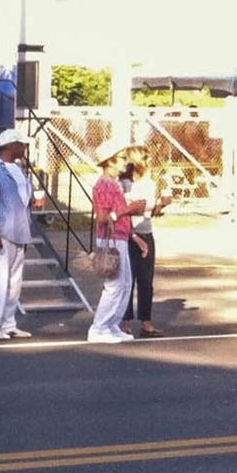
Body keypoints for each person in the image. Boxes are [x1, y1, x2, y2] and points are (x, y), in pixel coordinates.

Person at [0, 128, 37, 341]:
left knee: (14, 282)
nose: (24, 148)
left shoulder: (19, 170)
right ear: (11, 146)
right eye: (21, 144)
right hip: (2, 233)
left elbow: (24, 201)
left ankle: (8, 323)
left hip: (19, 232)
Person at [88, 139, 146, 344]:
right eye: (121, 158)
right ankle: (99, 327)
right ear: (110, 161)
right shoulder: (104, 184)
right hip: (110, 239)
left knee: (125, 283)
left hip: (119, 237)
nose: (125, 162)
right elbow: (103, 218)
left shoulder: (114, 184)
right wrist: (128, 210)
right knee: (115, 284)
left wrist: (134, 236)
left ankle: (112, 323)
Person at [122, 151, 170, 337]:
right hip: (129, 233)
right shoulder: (125, 183)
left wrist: (162, 205)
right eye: (145, 157)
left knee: (146, 280)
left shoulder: (149, 183)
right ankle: (126, 322)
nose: (149, 160)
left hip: (146, 231)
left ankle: (146, 321)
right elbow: (125, 209)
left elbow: (151, 211)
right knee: (128, 280)